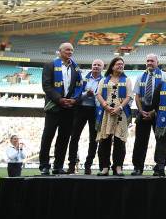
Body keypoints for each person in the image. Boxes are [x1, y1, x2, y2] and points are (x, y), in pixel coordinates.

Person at [39, 42, 84, 175]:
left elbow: (79, 86)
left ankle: (58, 166)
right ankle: (44, 165)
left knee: (64, 138)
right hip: (54, 107)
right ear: (59, 51)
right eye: (67, 50)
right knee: (48, 136)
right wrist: (59, 99)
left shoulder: (76, 68)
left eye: (71, 50)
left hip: (69, 108)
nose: (69, 52)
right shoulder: (50, 65)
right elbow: (46, 86)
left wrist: (74, 99)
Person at [95, 57, 133, 176]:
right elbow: (99, 94)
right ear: (112, 66)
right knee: (104, 140)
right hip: (107, 113)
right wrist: (106, 106)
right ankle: (105, 167)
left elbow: (129, 96)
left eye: (122, 64)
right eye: (118, 64)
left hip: (121, 113)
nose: (120, 66)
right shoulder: (104, 80)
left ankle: (118, 167)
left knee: (119, 141)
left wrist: (119, 107)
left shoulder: (127, 80)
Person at [131, 54, 166, 176]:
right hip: (143, 109)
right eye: (148, 61)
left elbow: (165, 96)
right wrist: (141, 111)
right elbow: (136, 96)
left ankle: (159, 168)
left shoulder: (164, 75)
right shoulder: (140, 76)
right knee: (140, 141)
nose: (149, 63)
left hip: (158, 110)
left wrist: (153, 112)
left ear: (157, 62)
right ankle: (137, 167)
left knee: (160, 140)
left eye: (152, 61)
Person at [67, 59, 104, 175]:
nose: (96, 67)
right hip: (80, 109)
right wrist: (85, 94)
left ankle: (88, 165)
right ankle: (71, 165)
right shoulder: (83, 78)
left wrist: (94, 96)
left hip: (95, 110)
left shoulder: (104, 80)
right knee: (74, 137)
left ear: (102, 68)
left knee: (94, 139)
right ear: (91, 66)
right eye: (94, 65)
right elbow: (76, 93)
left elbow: (103, 97)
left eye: (99, 65)